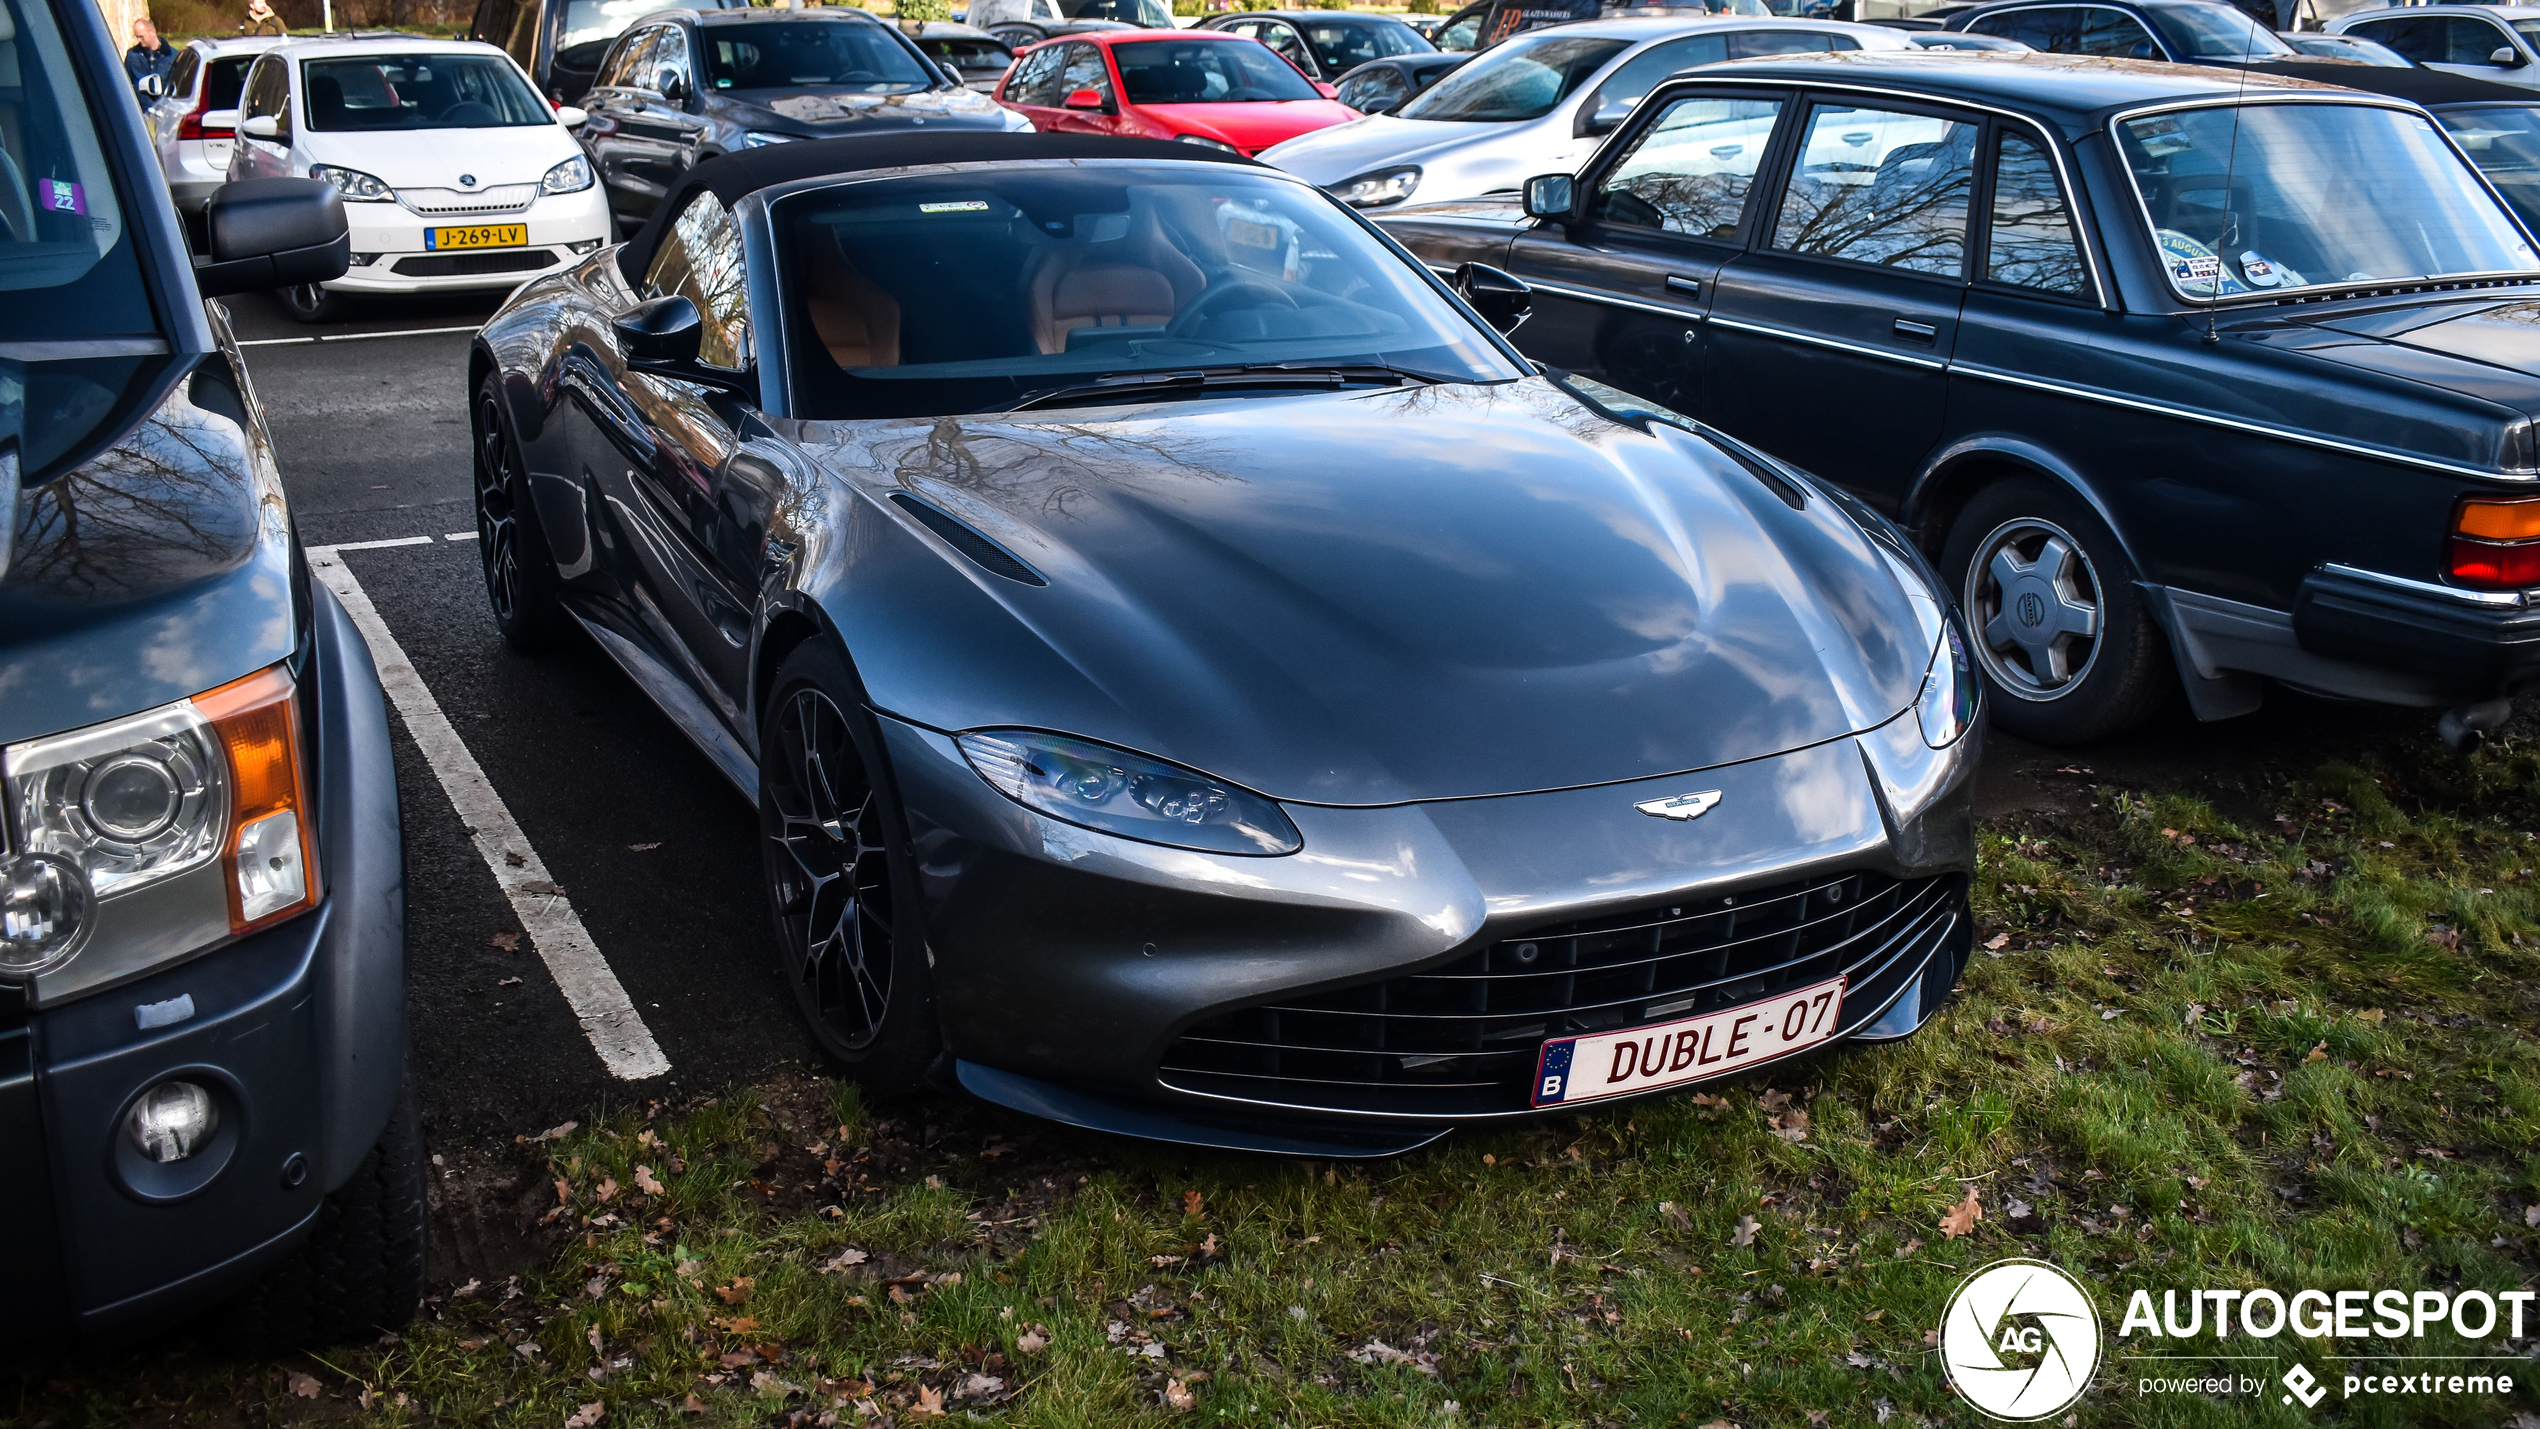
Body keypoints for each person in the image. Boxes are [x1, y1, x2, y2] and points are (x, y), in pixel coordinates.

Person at [124, 15, 176, 96]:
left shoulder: (172, 56)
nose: (138, 40)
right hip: (140, 107)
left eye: (141, 36)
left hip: (165, 105)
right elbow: (125, 83)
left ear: (153, 32)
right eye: (137, 37)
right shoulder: (133, 56)